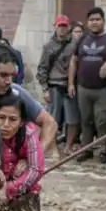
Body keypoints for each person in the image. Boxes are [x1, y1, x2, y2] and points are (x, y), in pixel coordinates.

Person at [68, 7, 106, 163]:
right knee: (86, 120)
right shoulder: (83, 38)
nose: (94, 22)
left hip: (104, 89)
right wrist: (71, 83)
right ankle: (86, 149)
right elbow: (74, 61)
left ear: (103, 21)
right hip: (83, 88)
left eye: (97, 19)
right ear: (87, 22)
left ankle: (103, 150)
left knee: (102, 120)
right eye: (91, 20)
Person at [0, 91, 46, 211]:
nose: (6, 124)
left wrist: (9, 190)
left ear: (21, 122)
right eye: (1, 118)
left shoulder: (28, 134)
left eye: (13, 120)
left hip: (23, 191)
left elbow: (36, 169)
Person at [37, 15, 78, 152]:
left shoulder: (75, 44)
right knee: (53, 119)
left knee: (72, 118)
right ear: (55, 26)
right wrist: (45, 89)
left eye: (64, 26)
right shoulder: (48, 46)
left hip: (71, 86)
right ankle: (53, 147)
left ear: (69, 27)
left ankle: (68, 146)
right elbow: (42, 68)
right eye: (60, 26)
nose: (62, 29)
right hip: (54, 85)